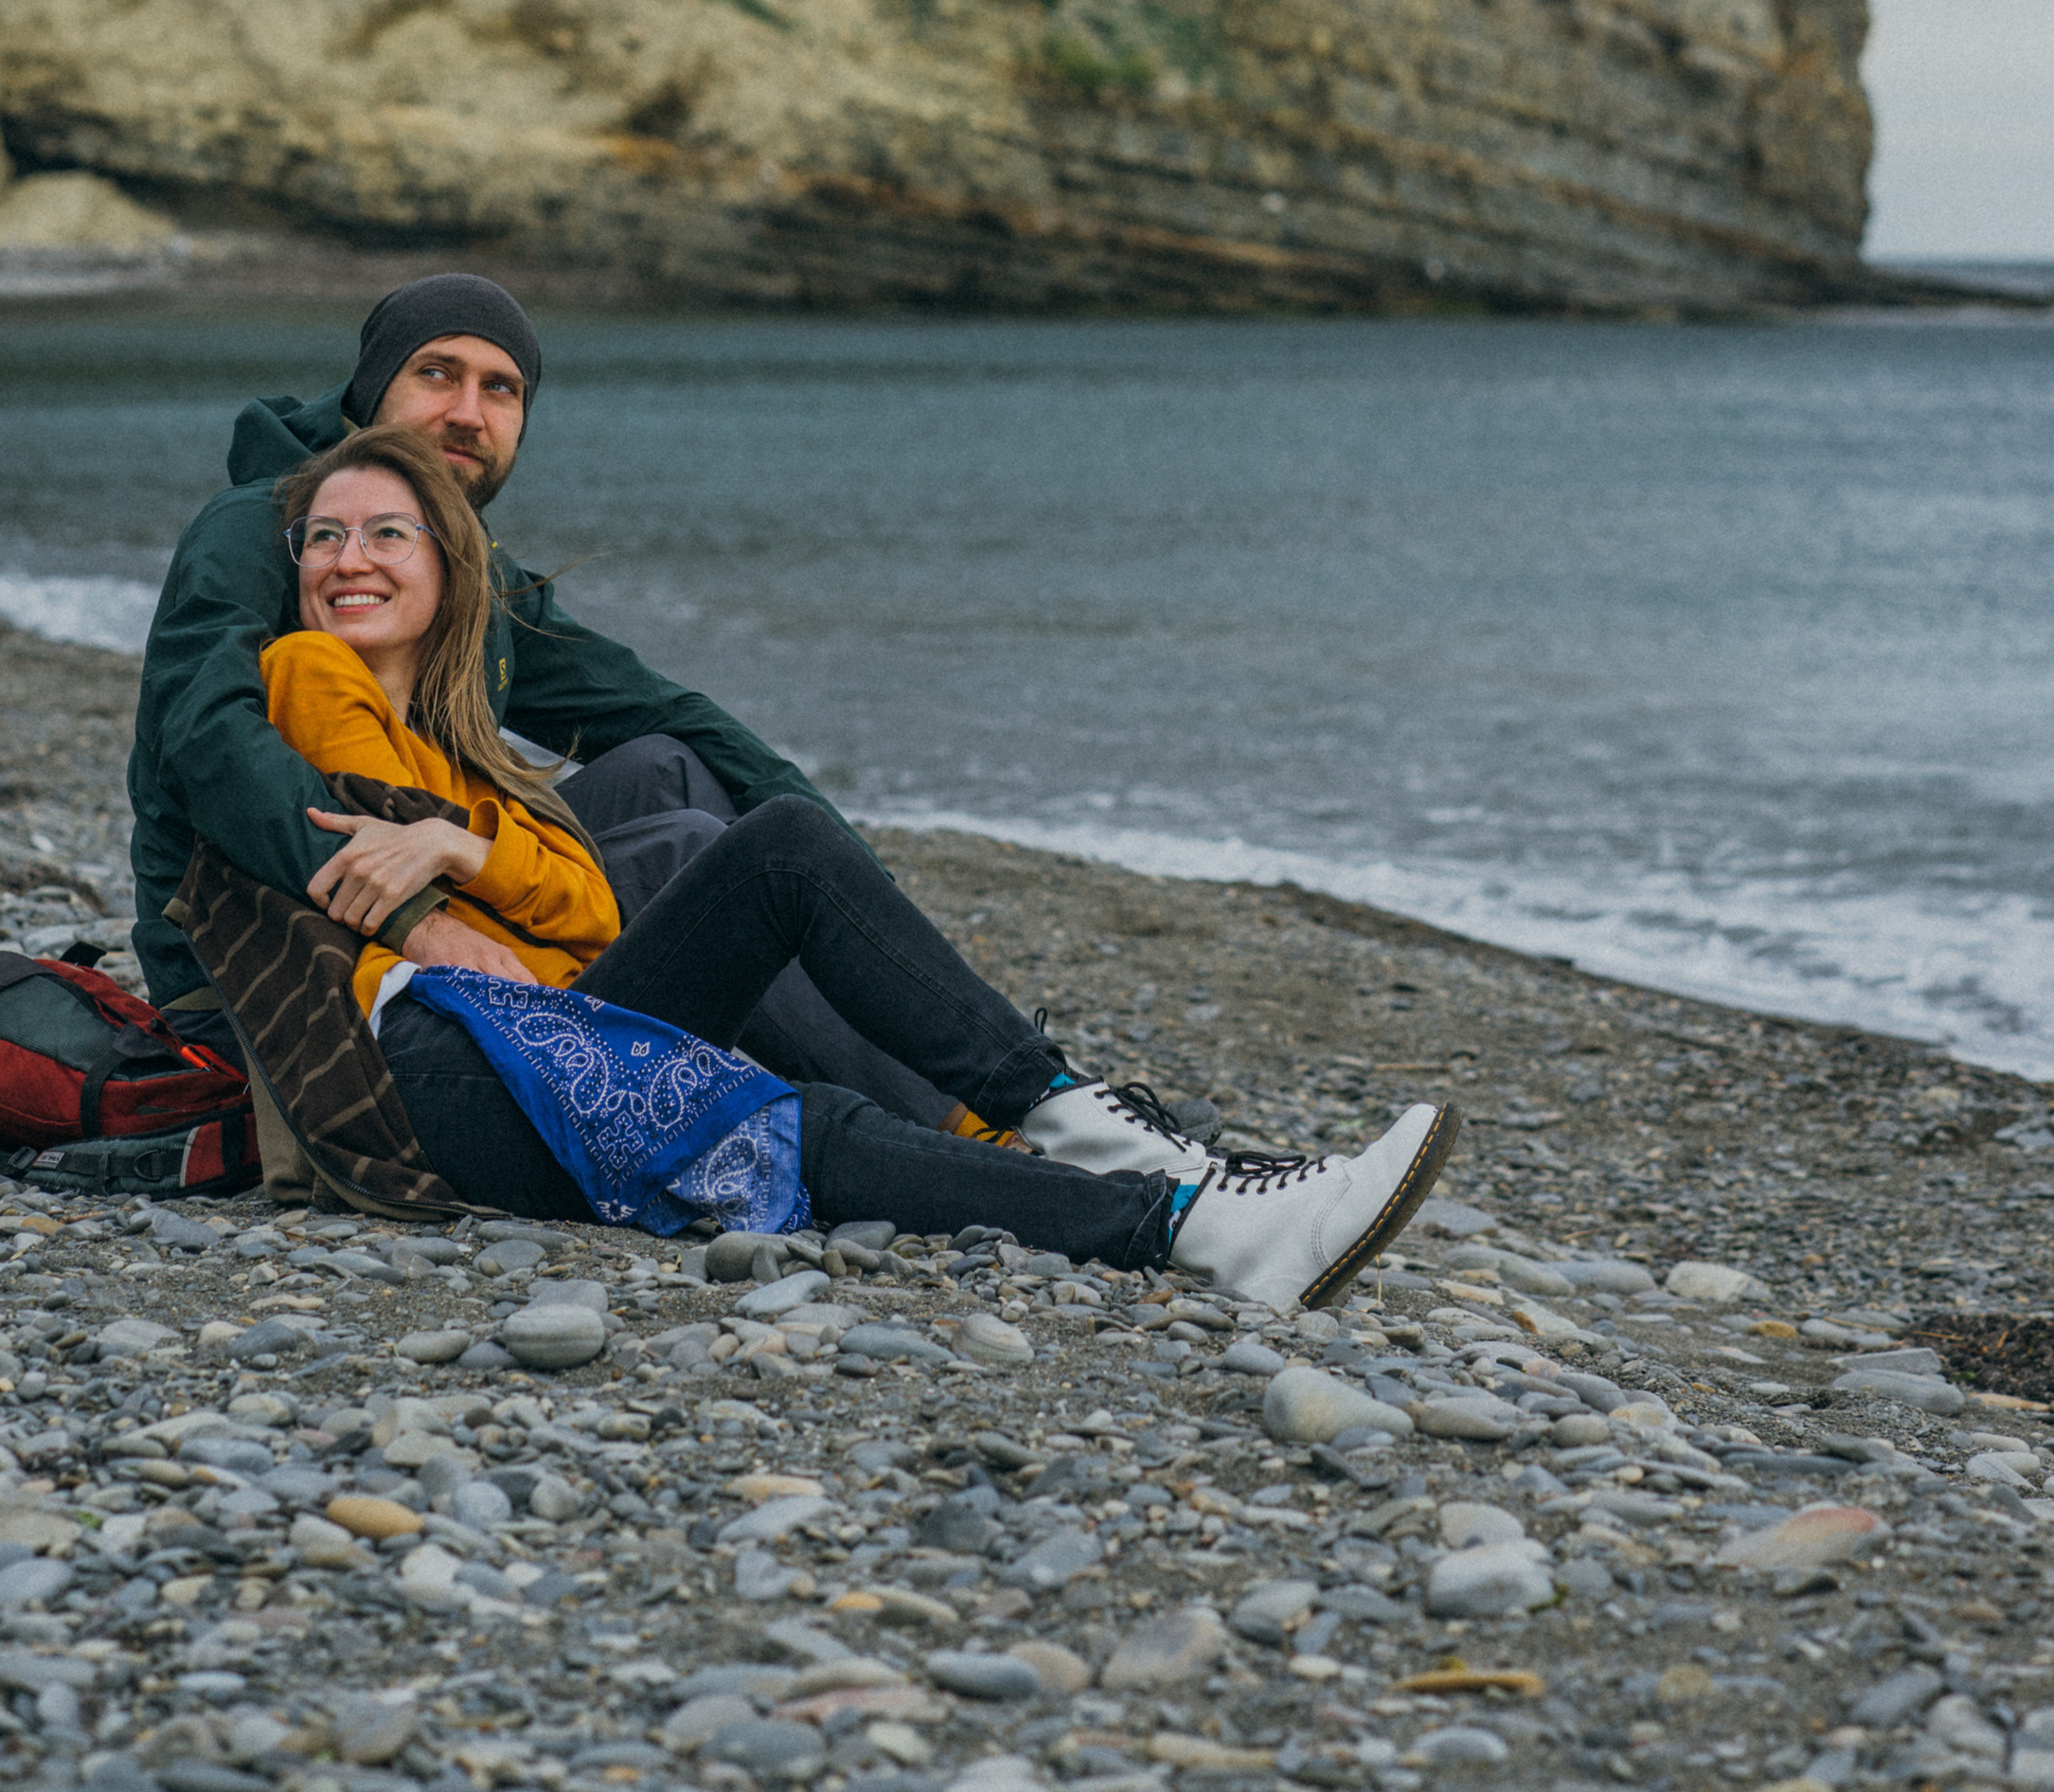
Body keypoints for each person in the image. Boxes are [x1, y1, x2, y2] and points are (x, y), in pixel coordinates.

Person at [255, 421, 1460, 1304]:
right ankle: (1154, 1190)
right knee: (782, 921)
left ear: (447, 564)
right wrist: (482, 860)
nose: (350, 559)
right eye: (326, 537)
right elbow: (541, 898)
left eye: (387, 534)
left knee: (788, 1084)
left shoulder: (451, 743)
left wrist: (473, 846)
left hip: (533, 1042)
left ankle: (1153, 1187)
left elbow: (571, 896)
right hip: (446, 1064)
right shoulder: (312, 675)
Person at [129, 275, 960, 1127]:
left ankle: (906, 1079)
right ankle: (957, 1124)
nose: (468, 412)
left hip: (432, 877)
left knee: (670, 769)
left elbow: (665, 710)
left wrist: (858, 893)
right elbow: (206, 739)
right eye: (437, 374)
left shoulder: (471, 575)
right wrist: (416, 920)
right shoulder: (257, 529)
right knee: (686, 852)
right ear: (370, 391)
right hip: (262, 961)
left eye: (501, 389)